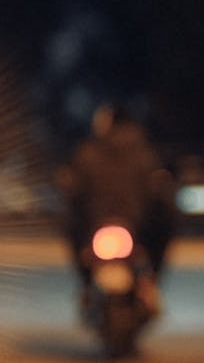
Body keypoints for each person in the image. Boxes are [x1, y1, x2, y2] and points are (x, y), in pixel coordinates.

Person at [62, 104, 176, 288]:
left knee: (71, 228)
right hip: (135, 231)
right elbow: (159, 199)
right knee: (165, 226)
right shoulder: (146, 154)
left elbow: (74, 197)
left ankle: (86, 285)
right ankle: (151, 285)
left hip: (97, 230)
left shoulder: (87, 154)